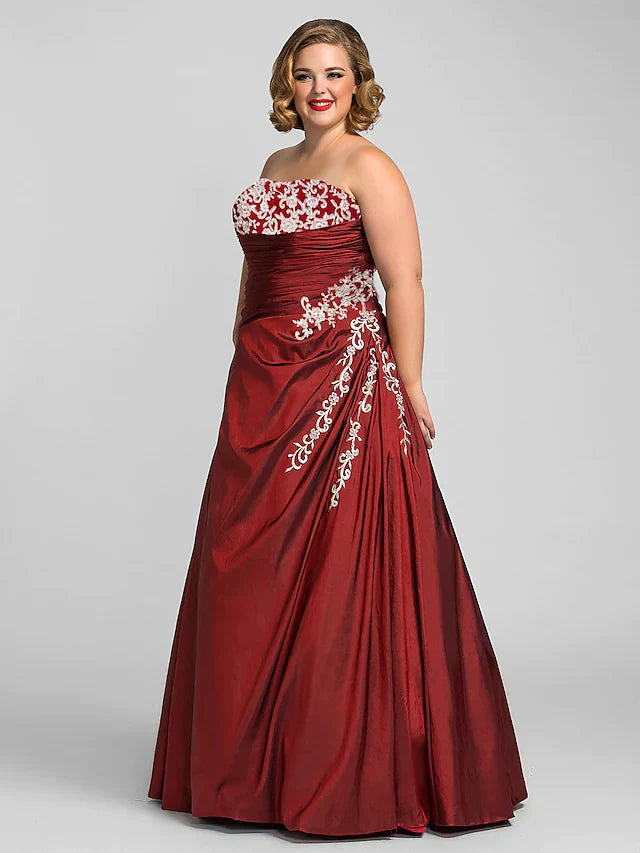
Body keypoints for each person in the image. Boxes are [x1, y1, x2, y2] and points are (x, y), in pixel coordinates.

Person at [147, 17, 528, 838]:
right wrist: (243, 347)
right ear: (287, 83)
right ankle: (250, 765)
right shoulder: (275, 165)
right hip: (265, 380)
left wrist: (411, 381)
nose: (319, 88)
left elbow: (405, 280)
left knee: (340, 564)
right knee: (251, 560)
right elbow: (257, 272)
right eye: (305, 73)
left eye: (334, 74)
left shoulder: (370, 167)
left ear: (359, 83)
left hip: (343, 382)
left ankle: (345, 765)